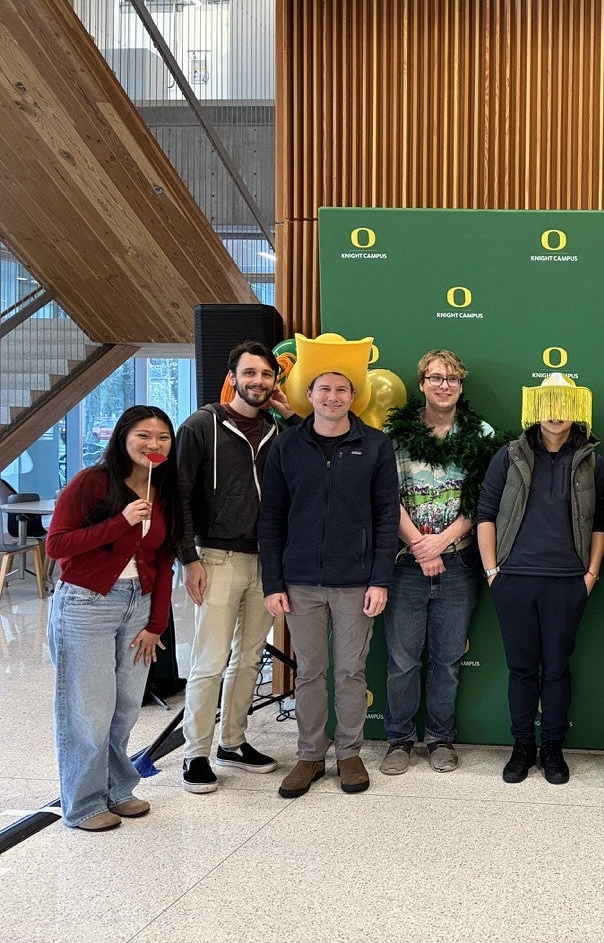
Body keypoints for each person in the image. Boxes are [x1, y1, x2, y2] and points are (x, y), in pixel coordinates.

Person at [259, 370, 399, 799]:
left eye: (341, 390)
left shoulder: (375, 445)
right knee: (309, 672)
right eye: (325, 389)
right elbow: (271, 518)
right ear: (310, 394)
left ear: (353, 396)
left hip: (356, 582)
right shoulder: (286, 446)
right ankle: (310, 755)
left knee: (350, 671)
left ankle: (350, 753)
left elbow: (386, 517)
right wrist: (272, 583)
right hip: (299, 582)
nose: (333, 397)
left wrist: (380, 579)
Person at [45, 406, 181, 831]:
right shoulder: (93, 482)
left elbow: (163, 561)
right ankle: (83, 804)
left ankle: (118, 788)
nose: (153, 444)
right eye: (144, 435)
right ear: (123, 438)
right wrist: (121, 522)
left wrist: (156, 624)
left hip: (137, 605)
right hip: (86, 604)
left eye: (162, 437)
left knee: (125, 707)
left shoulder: (164, 489)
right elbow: (57, 546)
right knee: (89, 709)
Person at [175, 341, 294, 794]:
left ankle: (233, 742)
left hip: (267, 560)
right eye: (249, 373)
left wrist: (290, 414)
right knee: (210, 660)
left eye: (266, 374)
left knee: (248, 658)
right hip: (216, 557)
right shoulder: (201, 425)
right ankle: (195, 754)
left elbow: (311, 454)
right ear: (232, 377)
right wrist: (188, 558)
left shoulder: (277, 431)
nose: (257, 381)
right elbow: (179, 497)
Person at [476, 373, 604, 786]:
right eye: (548, 403)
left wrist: (591, 574)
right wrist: (492, 571)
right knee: (520, 669)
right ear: (536, 408)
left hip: (567, 581)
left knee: (556, 668)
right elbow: (486, 512)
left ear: (576, 410)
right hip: (514, 578)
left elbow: (601, 524)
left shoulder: (590, 459)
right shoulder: (509, 455)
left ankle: (552, 746)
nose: (556, 413)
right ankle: (522, 747)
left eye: (564, 404)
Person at [379, 349, 505, 776]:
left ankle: (439, 739)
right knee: (402, 660)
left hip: (459, 563)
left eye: (452, 379)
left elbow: (484, 500)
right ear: (422, 384)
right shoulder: (395, 434)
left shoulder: (481, 434)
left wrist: (442, 542)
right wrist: (420, 545)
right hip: (405, 563)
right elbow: (386, 497)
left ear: (461, 386)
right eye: (436, 378)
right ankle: (399, 739)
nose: (444, 385)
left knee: (448, 660)